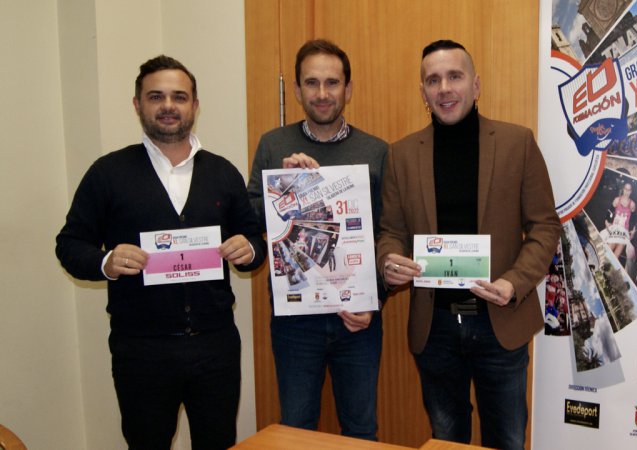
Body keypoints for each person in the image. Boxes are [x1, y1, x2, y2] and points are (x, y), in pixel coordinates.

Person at [55, 55, 267, 450]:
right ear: (138, 104)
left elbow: (255, 241)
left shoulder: (223, 172)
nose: (168, 105)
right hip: (141, 349)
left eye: (179, 97)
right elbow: (69, 244)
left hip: (215, 345)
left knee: (218, 442)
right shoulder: (107, 173)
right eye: (156, 97)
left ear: (195, 105)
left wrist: (250, 249)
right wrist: (106, 261)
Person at [376, 40, 561, 449]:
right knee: (446, 439)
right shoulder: (401, 155)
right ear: (423, 92)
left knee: (507, 439)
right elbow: (391, 231)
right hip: (435, 326)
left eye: (454, 76)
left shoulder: (517, 143)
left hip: (500, 321)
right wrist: (388, 259)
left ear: (476, 85)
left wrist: (514, 282)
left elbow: (545, 226)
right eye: (433, 80)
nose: (444, 88)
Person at [246, 39, 387, 440]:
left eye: (332, 82)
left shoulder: (376, 151)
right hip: (295, 319)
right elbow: (250, 215)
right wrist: (285, 186)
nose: (322, 93)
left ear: (348, 88)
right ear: (296, 90)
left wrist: (374, 300)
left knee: (360, 428)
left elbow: (388, 234)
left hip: (357, 319)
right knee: (297, 428)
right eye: (311, 83)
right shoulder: (273, 145)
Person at [604, 182, 636, 259]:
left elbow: (634, 220)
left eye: (629, 190)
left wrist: (633, 231)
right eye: (625, 189)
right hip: (614, 230)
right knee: (608, 251)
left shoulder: (632, 204)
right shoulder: (617, 200)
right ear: (623, 189)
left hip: (624, 232)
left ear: (631, 191)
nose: (627, 191)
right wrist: (606, 222)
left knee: (616, 255)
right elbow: (609, 212)